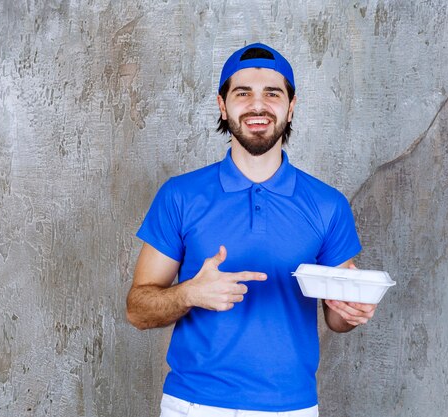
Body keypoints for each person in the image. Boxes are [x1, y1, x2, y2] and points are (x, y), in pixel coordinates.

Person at [126, 42, 377, 417]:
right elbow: (137, 310)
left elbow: (335, 318)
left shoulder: (328, 205)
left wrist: (352, 309)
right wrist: (189, 293)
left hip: (291, 408)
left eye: (272, 94)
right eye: (243, 93)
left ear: (291, 107)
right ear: (222, 106)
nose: (258, 106)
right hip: (193, 405)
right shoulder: (180, 196)